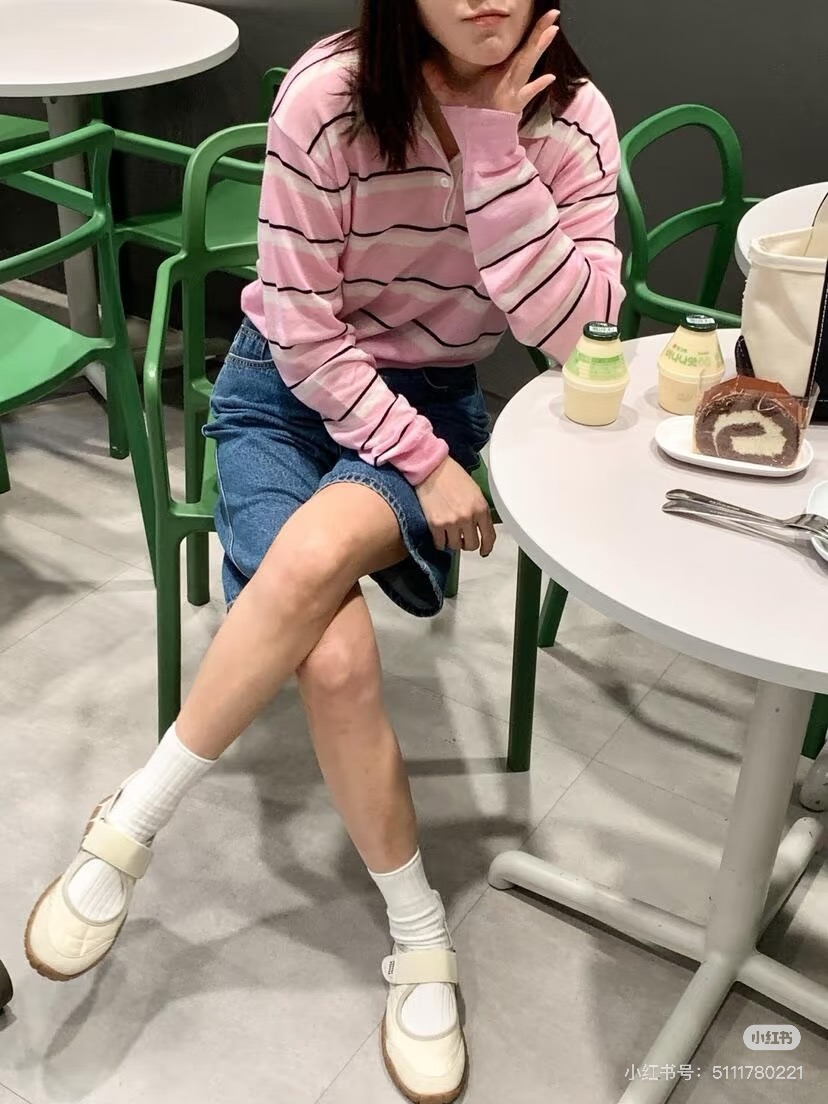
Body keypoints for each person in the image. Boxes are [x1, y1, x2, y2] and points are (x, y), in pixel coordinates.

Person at [25, 2, 622, 1100]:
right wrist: (422, 464)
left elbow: (579, 334)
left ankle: (131, 822)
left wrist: (495, 157)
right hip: (283, 393)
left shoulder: (572, 119)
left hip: (433, 396)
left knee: (317, 564)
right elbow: (302, 328)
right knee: (336, 660)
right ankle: (420, 931)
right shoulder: (331, 96)